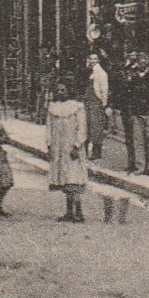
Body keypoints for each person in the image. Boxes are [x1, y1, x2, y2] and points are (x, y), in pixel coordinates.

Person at [46, 78, 89, 222]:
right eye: (58, 90)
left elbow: (82, 128)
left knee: (73, 179)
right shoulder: (52, 107)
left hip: (72, 148)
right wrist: (50, 145)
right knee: (64, 179)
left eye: (63, 90)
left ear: (69, 91)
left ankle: (79, 212)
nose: (60, 93)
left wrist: (77, 145)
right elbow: (49, 128)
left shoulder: (77, 107)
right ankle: (69, 212)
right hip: (59, 148)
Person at [122, 51, 149, 176]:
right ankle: (140, 166)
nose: (142, 63)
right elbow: (129, 95)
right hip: (137, 113)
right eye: (140, 61)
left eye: (144, 60)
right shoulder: (133, 77)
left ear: (148, 62)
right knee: (138, 141)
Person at [85, 52, 110, 160]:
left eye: (95, 59)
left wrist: (104, 103)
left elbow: (104, 89)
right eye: (91, 59)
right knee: (85, 126)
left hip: (96, 101)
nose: (93, 61)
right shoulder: (87, 71)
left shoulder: (101, 73)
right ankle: (85, 151)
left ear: (98, 60)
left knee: (96, 127)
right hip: (86, 101)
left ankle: (97, 151)